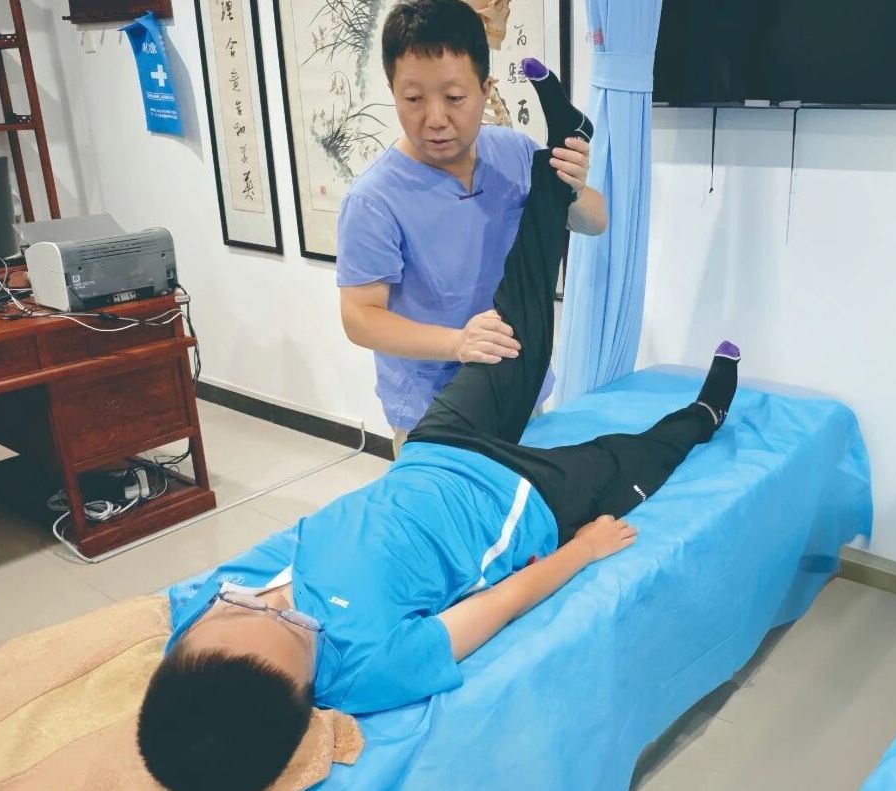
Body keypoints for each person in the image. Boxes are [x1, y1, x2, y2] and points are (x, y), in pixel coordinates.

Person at [136, 59, 739, 791]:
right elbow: (498, 604)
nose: (266, 602)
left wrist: (568, 183)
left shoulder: (207, 619)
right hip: (520, 502)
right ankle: (705, 412)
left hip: (436, 445)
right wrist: (583, 550)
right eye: (284, 624)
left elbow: (179, 637)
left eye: (238, 609)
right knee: (628, 456)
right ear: (305, 696)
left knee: (515, 314)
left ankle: (565, 143)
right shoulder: (369, 670)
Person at [337, 0, 608, 456]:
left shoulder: (514, 154)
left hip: (522, 390)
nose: (435, 118)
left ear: (485, 88)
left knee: (529, 500)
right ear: (392, 90)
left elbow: (596, 222)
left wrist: (574, 187)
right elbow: (359, 317)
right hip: (433, 414)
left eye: (454, 98)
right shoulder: (374, 200)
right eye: (413, 99)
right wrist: (458, 343)